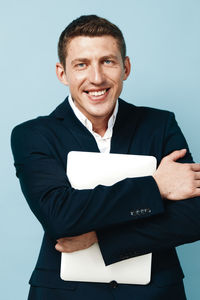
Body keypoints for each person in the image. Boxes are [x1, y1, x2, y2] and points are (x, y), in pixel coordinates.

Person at [11, 15, 200, 300]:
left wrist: (98, 237)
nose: (96, 78)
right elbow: (60, 217)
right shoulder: (33, 134)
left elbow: (192, 218)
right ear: (63, 73)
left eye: (108, 62)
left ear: (125, 68)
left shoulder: (160, 125)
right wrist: (156, 186)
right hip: (65, 294)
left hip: (155, 292)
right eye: (82, 64)